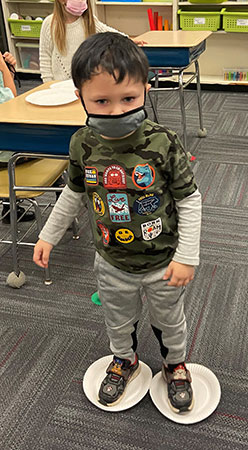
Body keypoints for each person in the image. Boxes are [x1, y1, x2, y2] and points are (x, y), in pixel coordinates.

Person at [33, 32, 202, 413]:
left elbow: (189, 200)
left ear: (146, 88)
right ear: (81, 97)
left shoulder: (163, 141)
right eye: (101, 101)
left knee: (169, 320)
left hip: (163, 262)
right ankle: (124, 361)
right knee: (117, 319)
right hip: (111, 261)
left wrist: (187, 256)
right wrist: (48, 235)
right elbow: (74, 193)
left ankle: (175, 365)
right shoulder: (82, 144)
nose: (115, 110)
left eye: (128, 98)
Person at [40, 0, 143, 83]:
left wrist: (127, 40)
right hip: (58, 85)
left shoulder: (88, 20)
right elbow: (45, 56)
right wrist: (48, 84)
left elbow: (107, 31)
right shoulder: (49, 23)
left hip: (84, 82)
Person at [0, 51, 35, 224]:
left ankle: (10, 206)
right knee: (54, 147)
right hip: (5, 155)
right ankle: (65, 211)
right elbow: (9, 101)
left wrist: (8, 71)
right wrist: (2, 67)